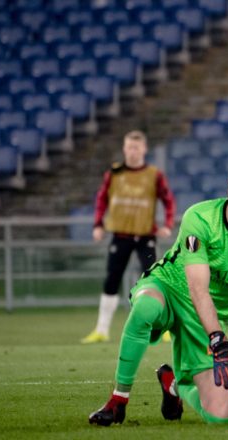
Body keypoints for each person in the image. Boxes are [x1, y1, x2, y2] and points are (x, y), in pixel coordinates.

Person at [89, 154, 228, 425]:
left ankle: (175, 384)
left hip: (208, 316)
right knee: (146, 307)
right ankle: (118, 400)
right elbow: (197, 288)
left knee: (223, 418)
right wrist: (219, 340)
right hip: (170, 288)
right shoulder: (200, 217)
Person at [81, 130, 176, 344]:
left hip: (145, 236)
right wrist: (97, 224)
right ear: (124, 149)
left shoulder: (154, 174)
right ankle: (101, 329)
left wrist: (168, 224)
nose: (133, 152)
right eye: (129, 147)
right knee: (111, 280)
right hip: (120, 235)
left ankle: (165, 328)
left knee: (155, 281)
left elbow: (168, 200)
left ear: (144, 149)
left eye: (136, 147)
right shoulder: (114, 174)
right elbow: (101, 200)